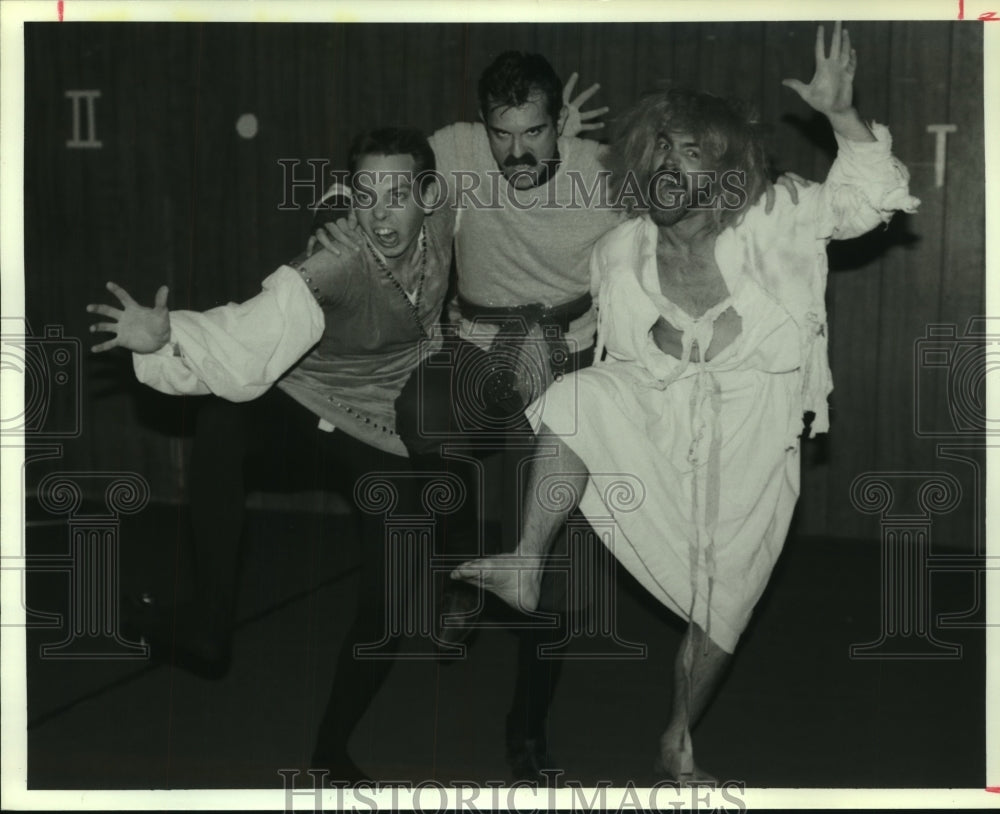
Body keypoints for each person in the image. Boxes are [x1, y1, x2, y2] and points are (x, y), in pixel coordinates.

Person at [453, 22, 920, 782]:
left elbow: (870, 199)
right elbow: (623, 366)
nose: (669, 166)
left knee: (726, 597)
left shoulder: (778, 216)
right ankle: (525, 561)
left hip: (754, 433)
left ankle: (677, 737)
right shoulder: (623, 252)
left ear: (727, 167)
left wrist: (840, 115)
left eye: (690, 152)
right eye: (658, 151)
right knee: (579, 395)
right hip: (663, 418)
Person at [86, 127, 456, 783]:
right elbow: (247, 338)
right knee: (222, 420)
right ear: (350, 195)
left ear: (428, 194)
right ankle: (209, 620)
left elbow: (491, 154)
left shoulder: (452, 217)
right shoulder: (332, 263)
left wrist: (559, 140)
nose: (381, 213)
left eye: (398, 194)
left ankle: (330, 751)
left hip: (383, 430)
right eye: (365, 195)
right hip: (300, 396)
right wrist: (166, 335)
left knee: (388, 602)